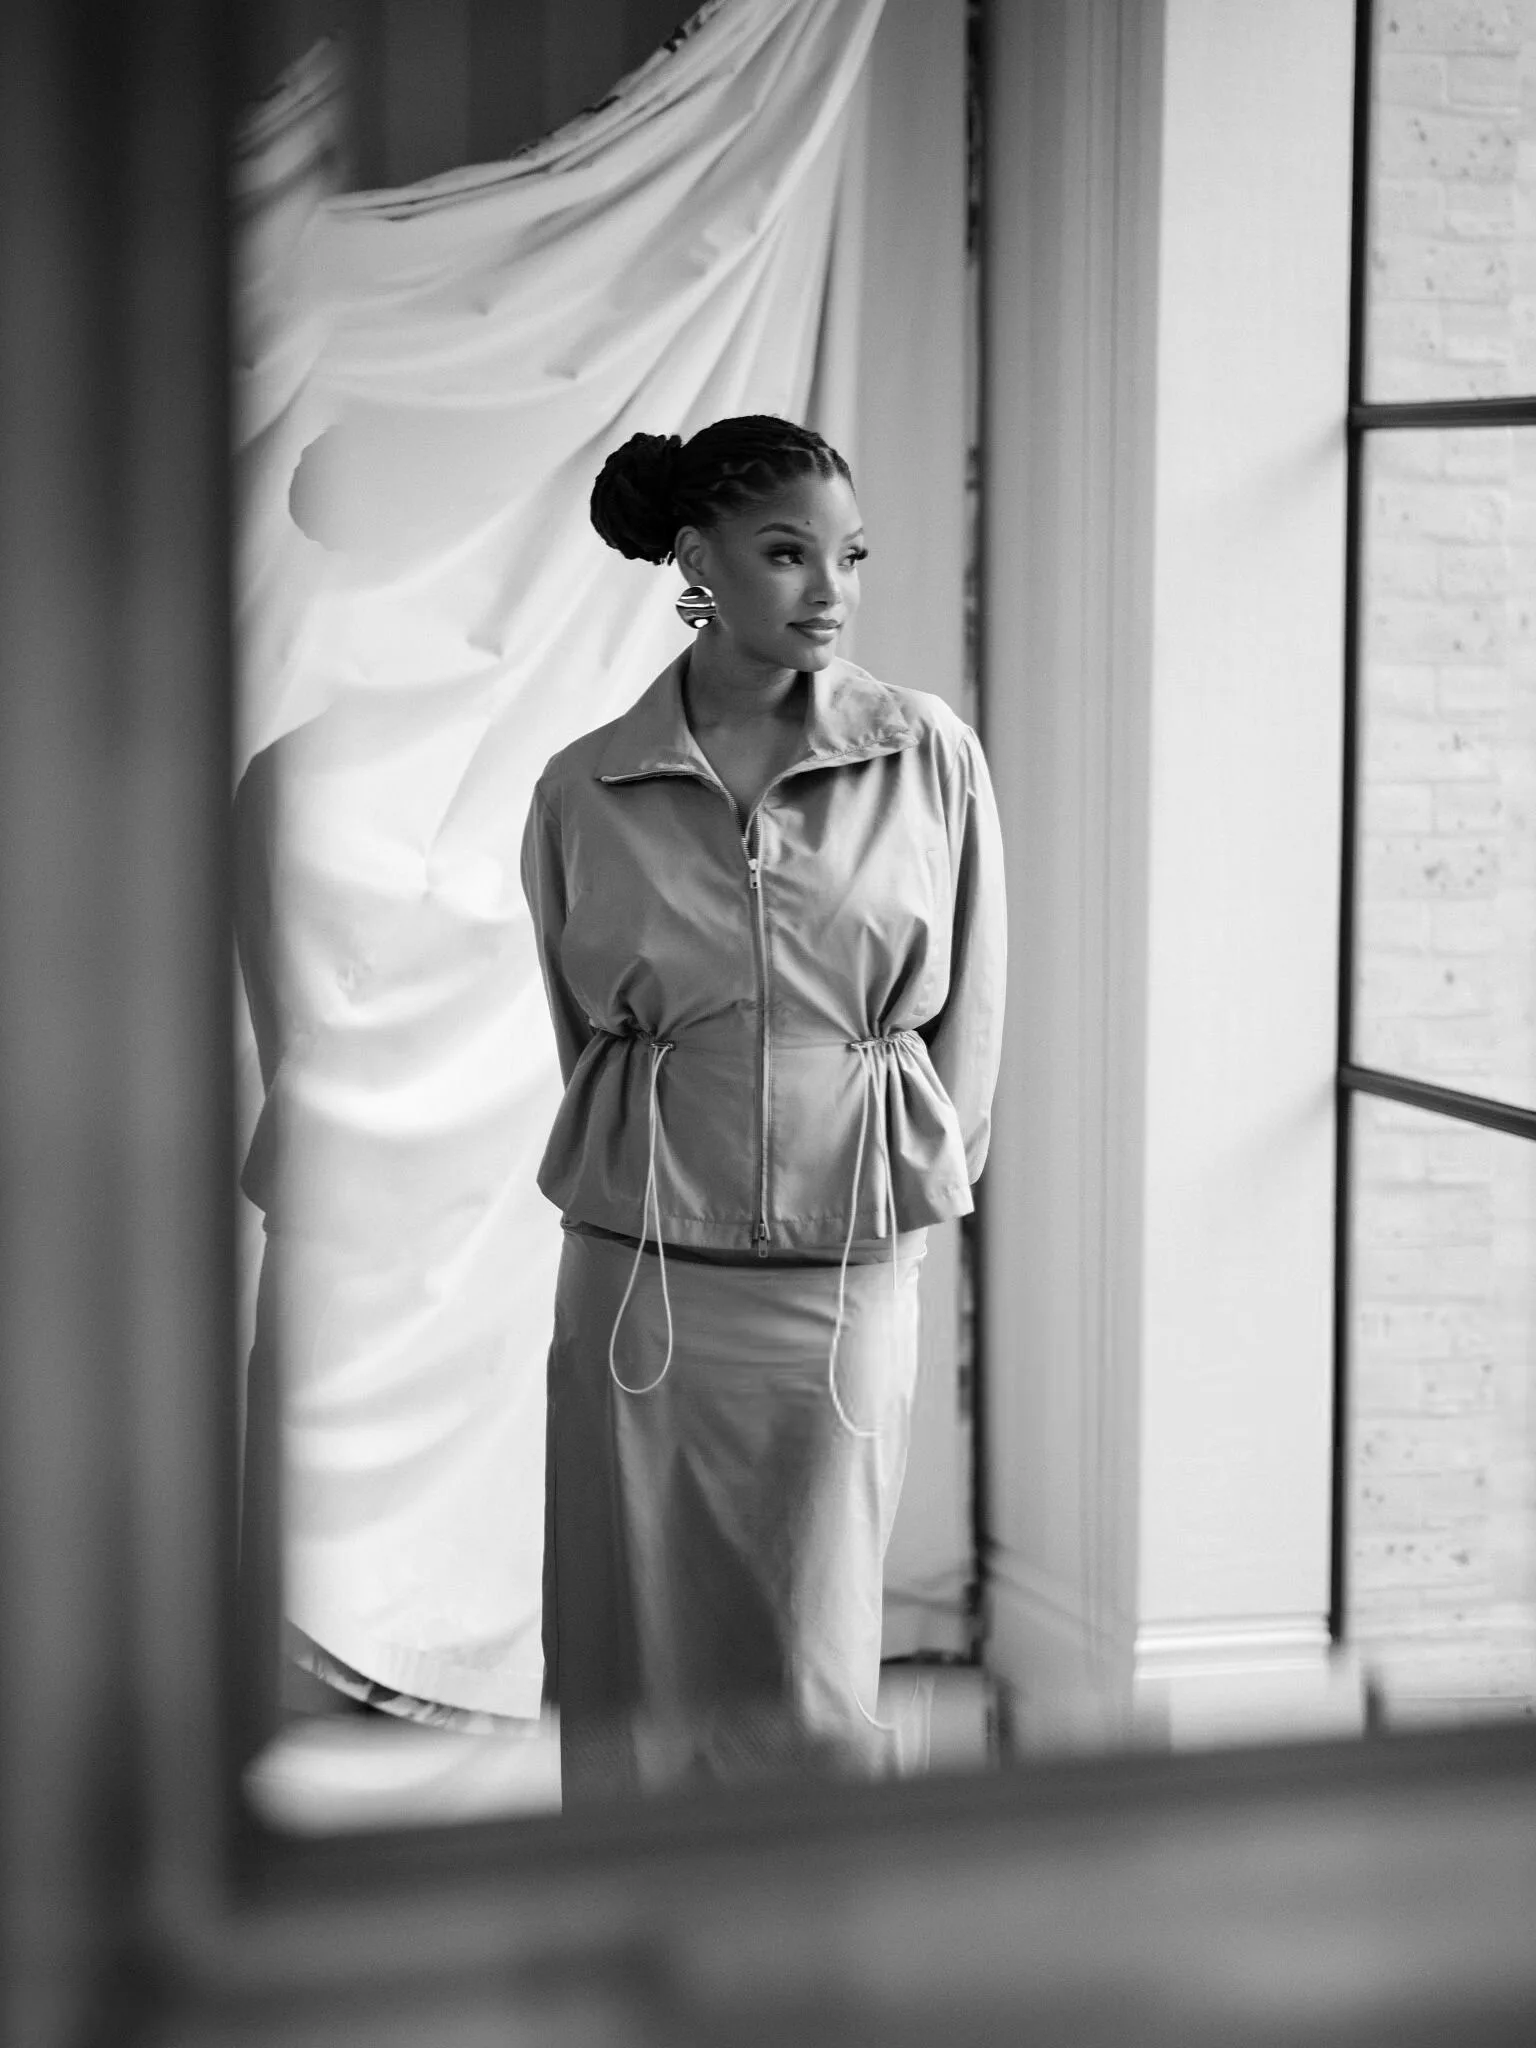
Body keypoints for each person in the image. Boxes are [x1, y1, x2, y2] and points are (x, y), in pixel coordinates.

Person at [520, 414, 1006, 1798]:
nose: (830, 590)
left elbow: (970, 1012)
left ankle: (809, 1906)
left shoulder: (926, 755)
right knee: (628, 1644)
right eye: (788, 553)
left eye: (850, 556)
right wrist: (658, 1173)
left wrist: (912, 1195)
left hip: (846, 1269)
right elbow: (585, 1035)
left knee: (813, 1648)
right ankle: (629, 1896)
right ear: (696, 559)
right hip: (637, 1278)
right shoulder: (584, 787)